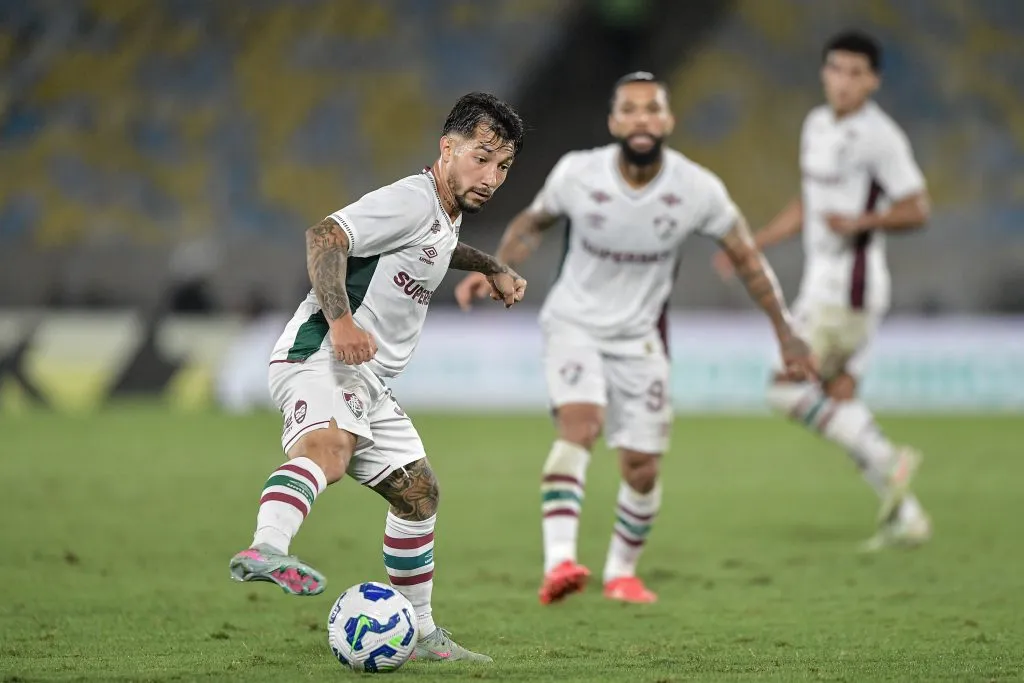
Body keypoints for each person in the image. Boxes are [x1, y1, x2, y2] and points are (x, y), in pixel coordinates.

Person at [456, 72, 814, 605]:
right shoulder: (579, 173)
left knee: (642, 468)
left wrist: (786, 333)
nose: (642, 118)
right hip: (573, 321)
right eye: (631, 109)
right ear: (614, 121)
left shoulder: (698, 189)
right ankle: (560, 565)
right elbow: (533, 222)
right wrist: (496, 267)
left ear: (667, 121)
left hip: (640, 337)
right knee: (581, 425)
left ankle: (621, 573)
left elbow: (748, 261)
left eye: (652, 109)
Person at [229, 92, 527, 662]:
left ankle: (419, 634)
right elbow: (324, 236)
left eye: (503, 166)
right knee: (331, 452)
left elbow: (436, 249)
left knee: (418, 494)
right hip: (323, 354)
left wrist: (490, 265)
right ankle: (266, 547)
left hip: (367, 381)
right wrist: (340, 321)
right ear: (447, 148)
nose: (491, 176)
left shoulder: (439, 215)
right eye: (481, 157)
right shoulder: (412, 200)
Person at [713, 31, 932, 550]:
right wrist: (753, 243)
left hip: (849, 291)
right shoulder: (816, 125)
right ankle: (909, 518)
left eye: (857, 73)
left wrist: (863, 219)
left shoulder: (881, 137)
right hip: (825, 286)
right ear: (824, 72)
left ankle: (888, 458)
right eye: (837, 69)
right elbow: (809, 201)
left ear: (874, 81)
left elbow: (917, 207)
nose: (844, 81)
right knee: (838, 400)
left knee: (786, 388)